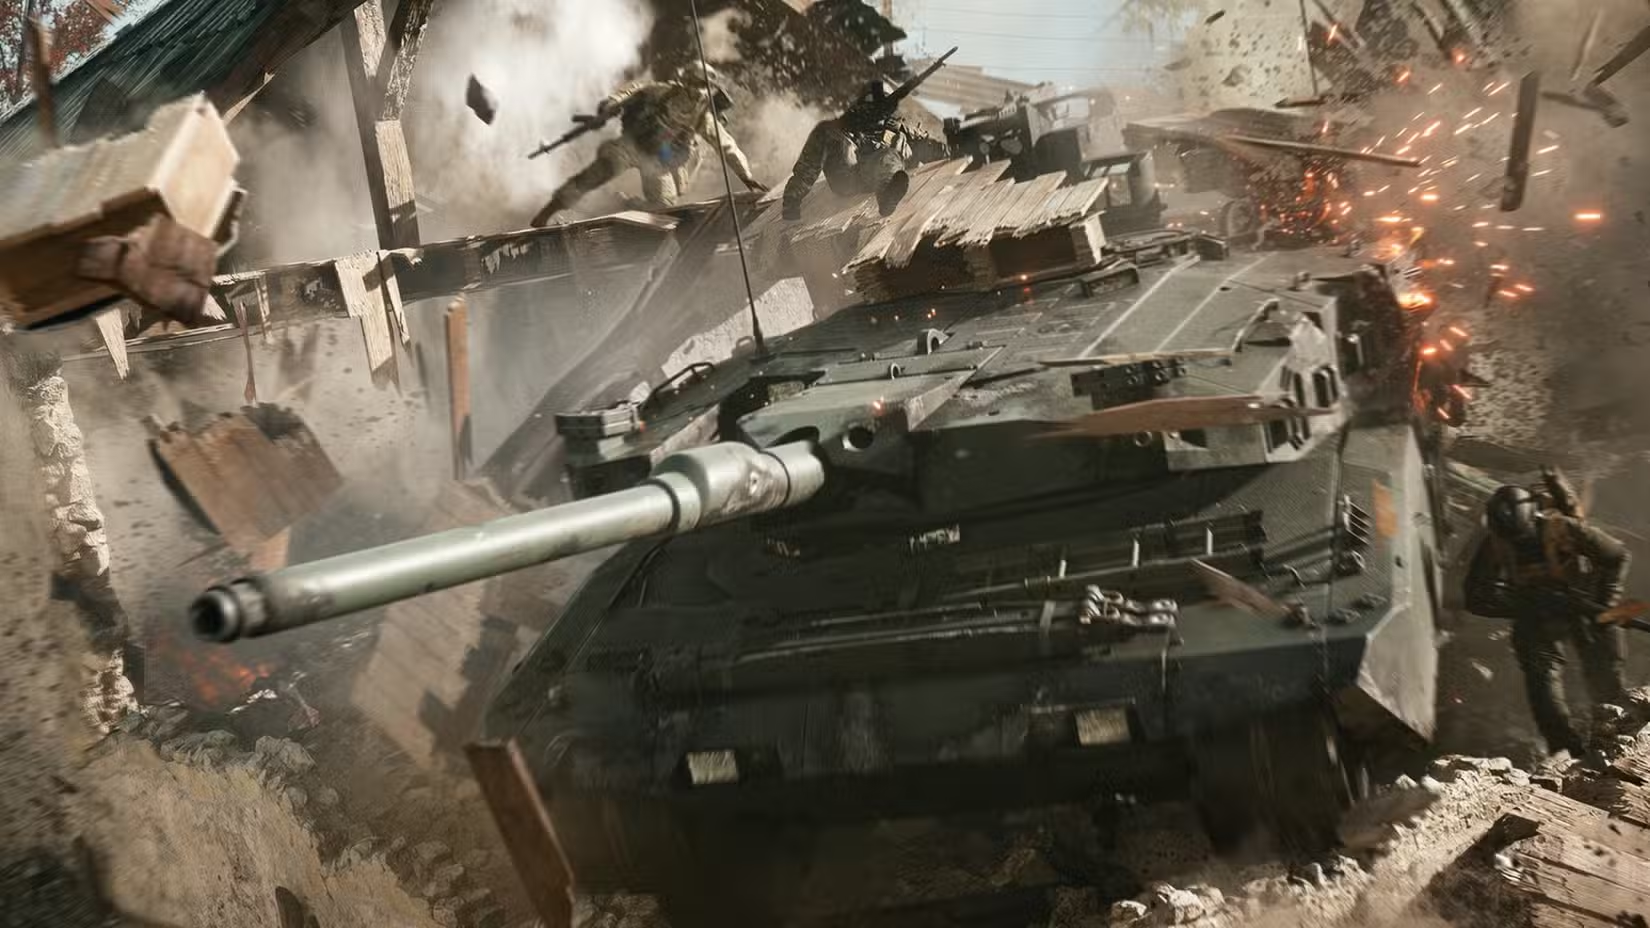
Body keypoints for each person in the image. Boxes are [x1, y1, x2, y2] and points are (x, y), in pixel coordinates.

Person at [1463, 483, 1631, 757]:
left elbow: (1617, 556)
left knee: (1607, 678)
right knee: (1542, 684)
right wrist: (1525, 605)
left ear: (1535, 518)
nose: (1518, 544)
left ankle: (1620, 740)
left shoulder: (1564, 528)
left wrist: (1606, 602)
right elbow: (1476, 597)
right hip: (1537, 614)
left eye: (1523, 537)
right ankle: (1568, 752)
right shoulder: (1497, 542)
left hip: (1585, 604)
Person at [532, 64, 765, 227]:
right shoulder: (659, 92)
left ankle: (622, 206)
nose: (698, 91)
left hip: (657, 161)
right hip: (632, 145)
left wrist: (746, 175)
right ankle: (549, 210)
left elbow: (726, 145)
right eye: (695, 83)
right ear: (685, 82)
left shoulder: (703, 117)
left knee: (664, 206)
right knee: (598, 173)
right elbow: (630, 93)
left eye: (704, 86)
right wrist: (609, 106)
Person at [781, 79, 925, 221]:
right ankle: (794, 195)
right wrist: (792, 199)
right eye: (871, 104)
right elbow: (809, 165)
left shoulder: (897, 129)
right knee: (826, 132)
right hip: (847, 178)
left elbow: (926, 149)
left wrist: (917, 146)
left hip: (876, 178)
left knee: (889, 155)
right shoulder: (843, 126)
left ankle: (887, 198)